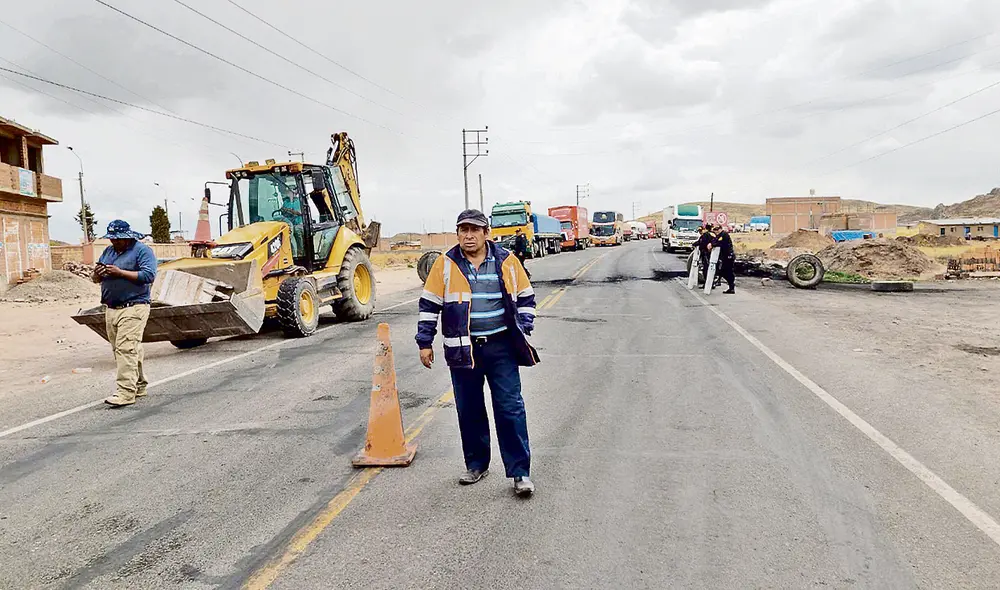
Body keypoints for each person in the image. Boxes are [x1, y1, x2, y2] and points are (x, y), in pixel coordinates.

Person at [416, 209, 539, 497]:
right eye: (463, 230)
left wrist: (525, 325)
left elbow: (526, 296)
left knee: (510, 409)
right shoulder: (444, 264)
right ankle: (476, 464)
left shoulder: (507, 260)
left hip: (501, 347)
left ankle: (520, 472)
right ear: (457, 233)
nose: (468, 235)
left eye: (474, 230)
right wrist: (424, 342)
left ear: (486, 233)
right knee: (469, 410)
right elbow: (429, 304)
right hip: (463, 349)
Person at [91, 220, 158, 407]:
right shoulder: (108, 252)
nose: (114, 242)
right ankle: (139, 384)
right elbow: (96, 279)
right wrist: (98, 273)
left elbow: (148, 275)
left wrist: (120, 272)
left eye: (118, 239)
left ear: (128, 237)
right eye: (112, 238)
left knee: (125, 348)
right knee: (122, 349)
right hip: (112, 308)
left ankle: (125, 393)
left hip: (134, 306)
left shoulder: (142, 251)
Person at [712, 224, 736, 294]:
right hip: (724, 257)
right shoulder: (719, 235)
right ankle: (730, 286)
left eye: (716, 230)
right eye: (715, 230)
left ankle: (731, 287)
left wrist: (712, 244)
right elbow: (714, 241)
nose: (715, 232)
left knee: (728, 272)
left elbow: (718, 243)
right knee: (723, 271)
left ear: (720, 229)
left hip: (728, 256)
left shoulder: (724, 235)